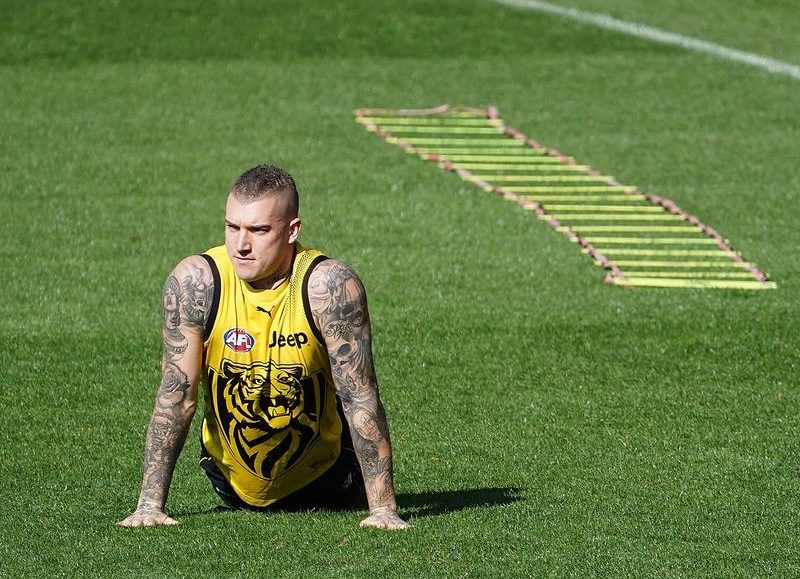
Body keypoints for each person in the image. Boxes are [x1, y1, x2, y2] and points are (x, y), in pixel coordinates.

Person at [118, 165, 409, 530]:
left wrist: (383, 511)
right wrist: (149, 506)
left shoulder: (329, 288)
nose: (241, 245)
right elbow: (177, 397)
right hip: (229, 484)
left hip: (327, 482)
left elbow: (360, 397)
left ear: (292, 230)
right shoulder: (196, 283)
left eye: (258, 230)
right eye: (232, 227)